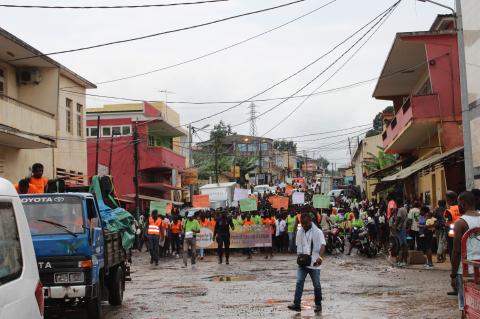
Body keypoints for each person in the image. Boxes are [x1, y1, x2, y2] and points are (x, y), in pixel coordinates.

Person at [288, 213, 326, 314]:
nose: (304, 225)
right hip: (303, 263)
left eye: (305, 223)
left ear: (310, 221)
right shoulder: (300, 232)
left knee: (317, 285)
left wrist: (320, 257)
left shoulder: (318, 232)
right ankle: (297, 304)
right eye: (302, 223)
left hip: (315, 263)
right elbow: (299, 246)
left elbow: (323, 245)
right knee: (299, 282)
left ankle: (318, 305)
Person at [450, 191, 480, 316]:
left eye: (458, 203)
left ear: (462, 204)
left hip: (467, 270)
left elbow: (456, 251)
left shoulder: (460, 223)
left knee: (466, 306)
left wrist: (453, 275)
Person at [444, 190, 461, 259]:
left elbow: (448, 220)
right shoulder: (461, 207)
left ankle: (454, 266)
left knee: (452, 251)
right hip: (461, 232)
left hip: (451, 234)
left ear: (449, 199)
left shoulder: (449, 210)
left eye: (446, 199)